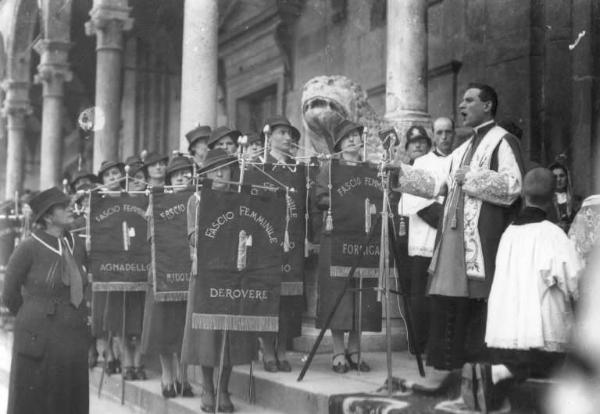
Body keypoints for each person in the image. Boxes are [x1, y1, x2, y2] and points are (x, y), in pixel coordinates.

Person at [394, 83, 525, 391]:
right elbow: (439, 182)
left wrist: (474, 178)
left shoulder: (502, 141)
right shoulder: (463, 148)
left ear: (488, 105)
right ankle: (450, 371)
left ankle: (474, 375)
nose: (462, 104)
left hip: (479, 239)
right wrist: (399, 173)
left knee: (475, 304)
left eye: (469, 100)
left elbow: (513, 186)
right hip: (452, 240)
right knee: (449, 301)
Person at [475, 168, 583, 412]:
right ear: (553, 197)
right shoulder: (554, 235)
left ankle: (504, 373)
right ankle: (506, 373)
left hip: (504, 332)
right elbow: (574, 281)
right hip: (540, 338)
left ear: (524, 195)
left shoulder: (509, 233)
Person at [181, 148, 256, 412]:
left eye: (225, 168)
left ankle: (224, 389)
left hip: (233, 275)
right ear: (207, 174)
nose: (221, 173)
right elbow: (193, 237)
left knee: (230, 334)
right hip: (205, 274)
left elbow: (250, 234)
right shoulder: (197, 199)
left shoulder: (241, 198)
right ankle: (208, 388)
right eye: (215, 169)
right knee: (206, 335)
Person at [3, 187, 90, 414]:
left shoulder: (77, 245)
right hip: (38, 338)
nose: (71, 207)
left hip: (72, 336)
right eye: (64, 206)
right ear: (49, 216)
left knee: (69, 399)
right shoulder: (28, 248)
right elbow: (9, 293)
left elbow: (83, 283)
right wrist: (33, 313)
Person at [315, 119, 381, 373]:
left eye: (357, 136)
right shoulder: (329, 168)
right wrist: (345, 200)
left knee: (362, 295)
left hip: (364, 238)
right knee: (338, 295)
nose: (354, 140)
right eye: (348, 137)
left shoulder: (370, 168)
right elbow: (320, 197)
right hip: (337, 237)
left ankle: (355, 350)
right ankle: (338, 352)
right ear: (339, 143)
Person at [141, 155, 195, 398]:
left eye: (187, 172)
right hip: (163, 271)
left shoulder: (197, 200)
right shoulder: (157, 201)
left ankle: (183, 377)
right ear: (170, 178)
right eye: (178, 174)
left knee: (185, 327)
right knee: (164, 326)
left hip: (190, 271)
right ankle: (167, 375)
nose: (183, 176)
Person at [398, 124, 452, 357]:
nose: (418, 145)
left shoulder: (437, 163)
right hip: (416, 238)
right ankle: (418, 343)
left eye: (422, 141)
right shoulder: (414, 167)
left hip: (434, 238)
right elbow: (413, 204)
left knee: (431, 294)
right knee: (417, 293)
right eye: (413, 142)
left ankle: (431, 343)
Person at [259, 115, 303, 372]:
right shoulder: (258, 168)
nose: (287, 138)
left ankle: (282, 350)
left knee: (287, 300)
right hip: (266, 244)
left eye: (289, 133)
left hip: (292, 244)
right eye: (282, 133)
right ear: (269, 136)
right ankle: (266, 350)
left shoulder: (297, 170)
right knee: (267, 297)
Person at [102, 156, 148, 381]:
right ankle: (126, 362)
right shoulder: (107, 202)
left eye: (141, 178)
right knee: (120, 321)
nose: (137, 182)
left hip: (139, 267)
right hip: (116, 269)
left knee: (137, 320)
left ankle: (138, 362)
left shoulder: (142, 201)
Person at [93, 160, 126, 375]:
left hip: (126, 261)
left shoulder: (131, 198)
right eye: (108, 175)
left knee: (119, 309)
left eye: (116, 174)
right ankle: (108, 353)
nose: (113, 178)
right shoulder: (97, 200)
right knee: (104, 309)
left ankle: (120, 354)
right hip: (105, 262)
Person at [548, 161, 580, 232]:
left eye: (561, 176)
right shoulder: (545, 201)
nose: (558, 179)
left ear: (567, 177)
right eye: (555, 177)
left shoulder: (577, 200)